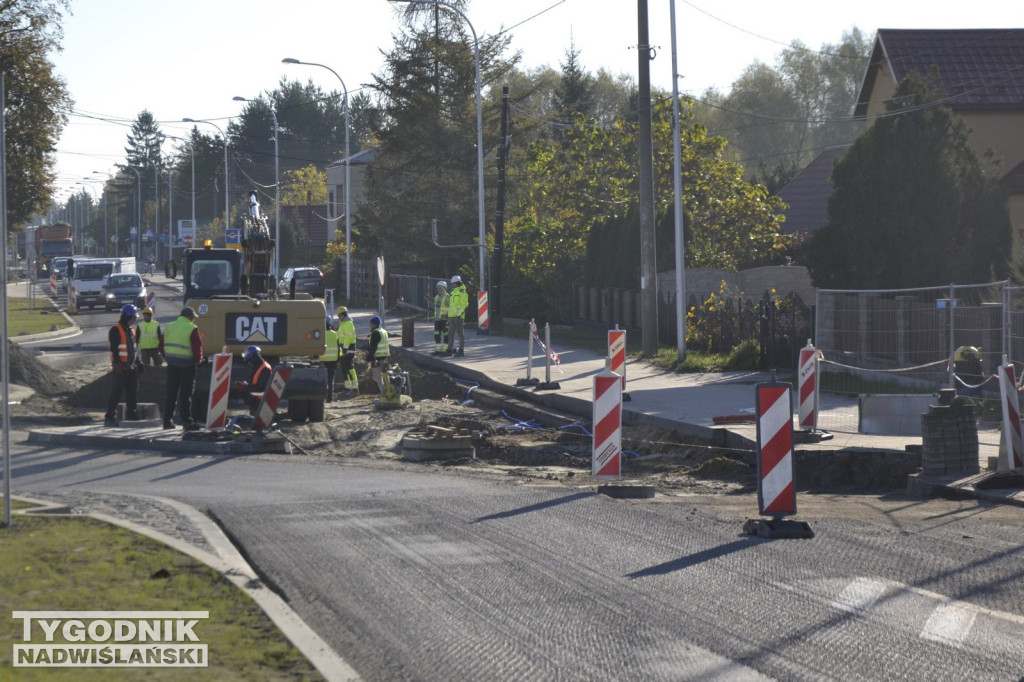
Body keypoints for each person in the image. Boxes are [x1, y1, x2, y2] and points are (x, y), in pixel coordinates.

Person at [162, 306, 203, 430]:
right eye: (193, 318)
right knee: (186, 394)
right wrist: (198, 360)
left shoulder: (169, 326)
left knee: (171, 393)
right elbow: (197, 347)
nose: (194, 320)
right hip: (187, 365)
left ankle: (167, 421)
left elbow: (161, 344)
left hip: (172, 364)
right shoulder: (192, 328)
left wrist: (167, 357)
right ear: (190, 317)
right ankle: (187, 421)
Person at [104, 304, 142, 427]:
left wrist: (138, 362)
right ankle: (110, 417)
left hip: (131, 368)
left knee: (132, 392)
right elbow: (114, 349)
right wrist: (117, 364)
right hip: (121, 368)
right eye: (133, 318)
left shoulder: (131, 331)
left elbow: (134, 349)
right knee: (116, 392)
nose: (134, 320)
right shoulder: (115, 329)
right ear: (126, 317)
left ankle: (131, 413)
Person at [234, 345, 273, 413]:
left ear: (254, 358)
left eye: (249, 361)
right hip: (257, 400)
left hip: (259, 402)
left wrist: (244, 386)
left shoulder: (265, 369)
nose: (249, 364)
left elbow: (259, 388)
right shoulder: (260, 367)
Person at [366, 315, 390, 394]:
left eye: (370, 324)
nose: (369, 325)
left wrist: (369, 358)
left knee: (378, 377)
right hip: (385, 357)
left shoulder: (375, 333)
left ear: (374, 324)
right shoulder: (383, 331)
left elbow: (373, 347)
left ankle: (384, 394)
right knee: (385, 376)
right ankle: (388, 391)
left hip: (377, 358)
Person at [319, 316, 341, 402]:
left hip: (322, 360)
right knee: (330, 380)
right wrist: (338, 360)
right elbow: (339, 348)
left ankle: (322, 398)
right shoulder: (335, 334)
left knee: (322, 380)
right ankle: (329, 399)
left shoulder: (320, 334)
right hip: (333, 360)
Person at [337, 306, 359, 390]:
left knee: (349, 367)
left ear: (343, 315)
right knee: (344, 368)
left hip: (348, 348)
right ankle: (348, 387)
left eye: (339, 316)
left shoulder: (348, 323)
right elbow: (341, 336)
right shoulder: (343, 323)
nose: (338, 317)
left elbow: (348, 337)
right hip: (344, 348)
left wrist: (345, 349)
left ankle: (354, 387)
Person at [447, 274, 468, 356]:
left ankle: (461, 350)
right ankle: (449, 349)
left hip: (458, 316)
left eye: (453, 283)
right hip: (451, 316)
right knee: (450, 333)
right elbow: (452, 305)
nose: (452, 285)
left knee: (460, 334)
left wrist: (459, 314)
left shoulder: (462, 293)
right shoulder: (453, 292)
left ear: (458, 283)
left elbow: (464, 304)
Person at [432, 280, 450, 354]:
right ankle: (439, 350)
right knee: (436, 334)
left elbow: (451, 307)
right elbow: (436, 307)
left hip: (445, 319)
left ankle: (445, 349)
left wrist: (448, 317)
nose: (438, 290)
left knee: (446, 335)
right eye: (437, 288)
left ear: (444, 289)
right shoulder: (436, 297)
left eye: (440, 288)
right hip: (437, 319)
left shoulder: (447, 297)